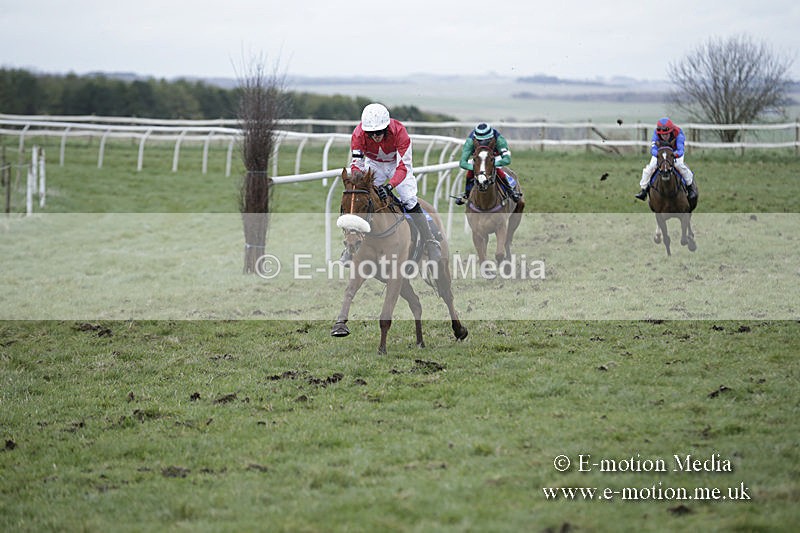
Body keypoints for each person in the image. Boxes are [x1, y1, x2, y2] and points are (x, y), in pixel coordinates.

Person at [340, 102, 441, 263]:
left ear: (386, 128)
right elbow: (356, 165)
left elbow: (403, 167)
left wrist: (389, 186)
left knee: (408, 199)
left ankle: (430, 241)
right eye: (371, 133)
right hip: (374, 164)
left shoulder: (400, 132)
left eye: (379, 132)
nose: (375, 136)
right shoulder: (358, 134)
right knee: (359, 198)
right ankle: (350, 246)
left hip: (397, 164)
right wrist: (360, 183)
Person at [455, 123, 520, 205]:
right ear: (475, 139)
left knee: (498, 171)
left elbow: (507, 160)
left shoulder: (499, 139)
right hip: (479, 159)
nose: (483, 143)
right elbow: (463, 163)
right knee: (469, 173)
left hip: (494, 157)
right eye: (480, 141)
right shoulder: (470, 141)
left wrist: (489, 166)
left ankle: (510, 192)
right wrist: (477, 168)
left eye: (486, 141)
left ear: (491, 137)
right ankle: (467, 194)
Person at [635, 117, 698, 201]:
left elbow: (680, 150)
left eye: (667, 134)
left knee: (680, 166)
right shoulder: (656, 133)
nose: (664, 136)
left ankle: (690, 188)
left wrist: (672, 155)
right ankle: (643, 190)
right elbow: (653, 149)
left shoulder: (678, 133)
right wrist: (660, 155)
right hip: (661, 153)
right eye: (662, 135)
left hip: (674, 153)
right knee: (650, 168)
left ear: (671, 131)